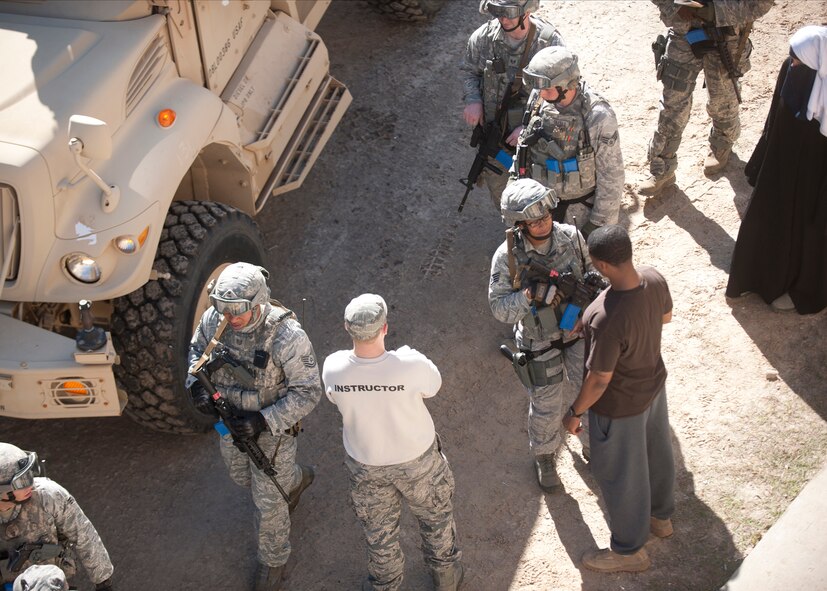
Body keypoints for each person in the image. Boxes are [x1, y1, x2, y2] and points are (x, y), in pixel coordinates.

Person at [187, 263, 321, 591]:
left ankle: (272, 562)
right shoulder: (213, 321)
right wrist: (196, 388)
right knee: (240, 475)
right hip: (225, 422)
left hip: (271, 428)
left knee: (267, 499)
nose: (231, 318)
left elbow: (309, 391)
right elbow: (195, 356)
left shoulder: (286, 336)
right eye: (224, 309)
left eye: (239, 311)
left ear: (259, 302)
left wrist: (263, 420)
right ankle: (295, 479)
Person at [322, 294, 463, 591]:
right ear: (385, 328)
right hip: (418, 462)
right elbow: (433, 386)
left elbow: (334, 397)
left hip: (367, 465)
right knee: (435, 517)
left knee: (379, 533)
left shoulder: (333, 367)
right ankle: (445, 577)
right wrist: (409, 356)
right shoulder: (410, 364)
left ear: (347, 327)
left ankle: (385, 585)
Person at [562, 225, 675, 573]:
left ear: (603, 266)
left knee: (622, 476)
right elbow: (665, 317)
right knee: (657, 452)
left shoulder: (603, 315)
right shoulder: (654, 278)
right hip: (654, 388)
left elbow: (599, 380)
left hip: (619, 407)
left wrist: (574, 412)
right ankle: (661, 519)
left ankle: (629, 551)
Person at [489, 178, 594, 492]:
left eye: (546, 216)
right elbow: (499, 308)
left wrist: (585, 309)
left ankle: (591, 443)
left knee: (586, 390)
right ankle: (545, 455)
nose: (543, 223)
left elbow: (593, 273)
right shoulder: (506, 257)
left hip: (576, 330)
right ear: (519, 225)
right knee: (546, 403)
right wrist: (528, 296)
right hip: (538, 339)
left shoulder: (572, 237)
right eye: (534, 221)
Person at [726, 25, 827, 314]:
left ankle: (802, 292)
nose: (791, 65)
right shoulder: (795, 70)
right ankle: (758, 279)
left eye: (797, 62)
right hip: (783, 170)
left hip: (816, 185)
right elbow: (776, 119)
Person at [639, 0, 773, 196]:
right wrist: (675, 7)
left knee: (723, 100)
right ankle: (662, 166)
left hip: (728, 35)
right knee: (673, 103)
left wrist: (715, 12)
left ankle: (722, 142)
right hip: (684, 33)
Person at [461, 0, 565, 208]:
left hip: (538, 139)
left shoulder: (549, 42)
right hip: (496, 135)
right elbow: (469, 71)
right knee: (506, 200)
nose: (503, 18)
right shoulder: (484, 38)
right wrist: (473, 100)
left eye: (509, 12)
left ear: (526, 12)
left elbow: (564, 95)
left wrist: (529, 127)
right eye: (498, 12)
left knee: (542, 200)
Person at [516, 46, 624, 238]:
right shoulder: (539, 99)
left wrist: (598, 225)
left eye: (547, 88)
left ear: (567, 84)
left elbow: (611, 176)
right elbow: (524, 145)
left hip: (579, 213)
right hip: (541, 209)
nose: (540, 93)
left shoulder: (597, 116)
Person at [0, 443, 113, 590]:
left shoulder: (49, 496)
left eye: (30, 474)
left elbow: (85, 538)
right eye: (22, 481)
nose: (31, 483)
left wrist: (103, 582)